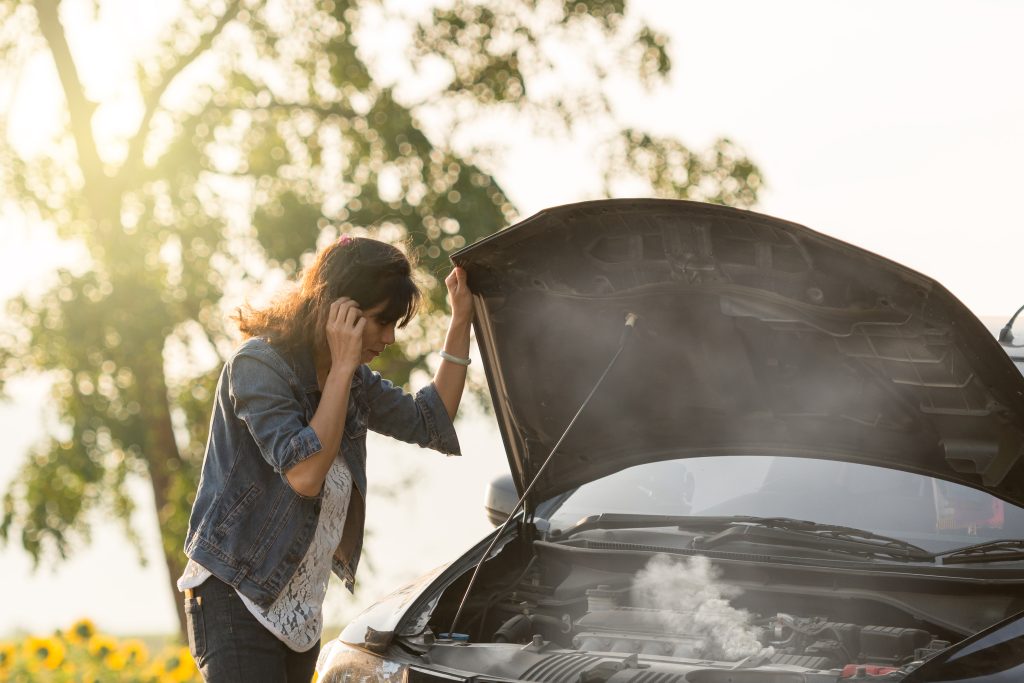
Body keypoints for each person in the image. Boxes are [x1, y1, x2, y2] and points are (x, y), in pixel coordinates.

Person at [177, 235, 472, 681]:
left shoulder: (350, 380)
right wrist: (341, 367)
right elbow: (306, 473)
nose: (389, 338)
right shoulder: (259, 365)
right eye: (380, 321)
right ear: (340, 311)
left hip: (300, 610)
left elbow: (430, 422)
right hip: (237, 596)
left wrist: (462, 317)